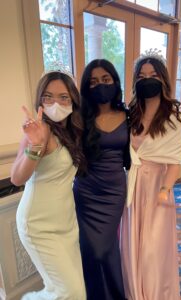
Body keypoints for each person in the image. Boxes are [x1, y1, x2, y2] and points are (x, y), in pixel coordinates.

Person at [11, 71, 86, 300]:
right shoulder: (39, 131)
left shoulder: (73, 131)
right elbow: (17, 177)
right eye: (48, 97)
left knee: (62, 288)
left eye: (64, 97)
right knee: (72, 292)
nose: (56, 103)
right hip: (38, 224)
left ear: (73, 99)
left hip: (66, 223)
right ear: (40, 100)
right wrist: (35, 146)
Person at [120, 51, 181, 300]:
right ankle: (135, 292)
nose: (147, 79)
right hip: (134, 186)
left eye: (153, 75)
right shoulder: (131, 113)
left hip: (159, 189)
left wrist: (163, 191)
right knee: (130, 246)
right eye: (142, 75)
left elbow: (175, 163)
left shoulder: (174, 119)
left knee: (152, 251)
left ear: (163, 79)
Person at [73, 59, 130, 300]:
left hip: (114, 191)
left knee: (106, 248)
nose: (100, 85)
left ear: (115, 82)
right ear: (86, 88)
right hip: (86, 191)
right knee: (91, 250)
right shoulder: (78, 117)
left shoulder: (128, 115)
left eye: (105, 80)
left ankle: (116, 294)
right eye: (93, 82)